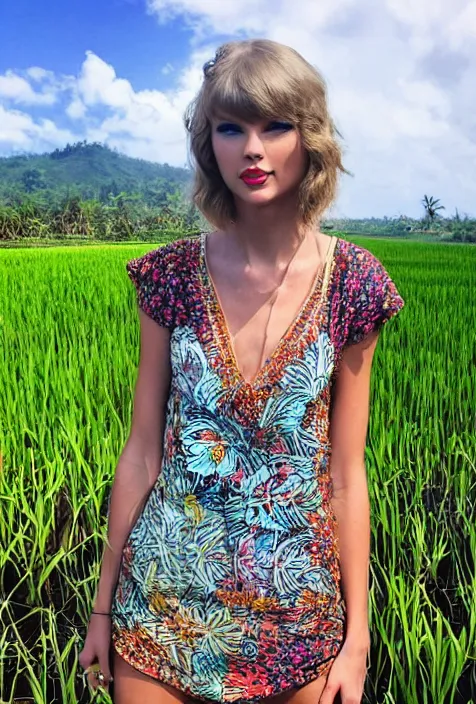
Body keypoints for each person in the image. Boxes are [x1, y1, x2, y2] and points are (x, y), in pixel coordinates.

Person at [79, 38, 405, 704]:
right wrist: (103, 609)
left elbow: (346, 473)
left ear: (309, 137)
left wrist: (358, 637)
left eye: (275, 125)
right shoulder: (169, 276)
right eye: (231, 127)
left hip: (299, 622)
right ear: (209, 143)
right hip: (160, 612)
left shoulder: (353, 283)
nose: (252, 148)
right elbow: (142, 452)